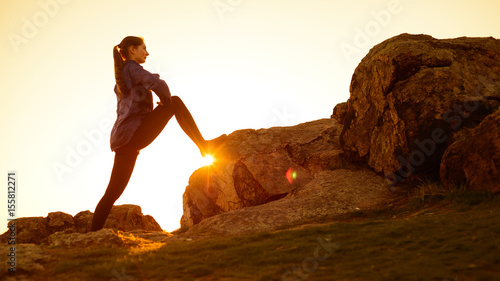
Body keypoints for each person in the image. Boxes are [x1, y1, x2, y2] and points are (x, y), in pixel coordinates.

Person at [91, 36, 226, 231]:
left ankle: (93, 235)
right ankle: (204, 146)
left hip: (126, 140)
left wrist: (161, 105)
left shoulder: (123, 74)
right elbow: (156, 82)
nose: (147, 52)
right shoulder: (131, 68)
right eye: (144, 48)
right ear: (132, 50)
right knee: (175, 102)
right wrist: (166, 101)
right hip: (133, 135)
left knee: (112, 193)